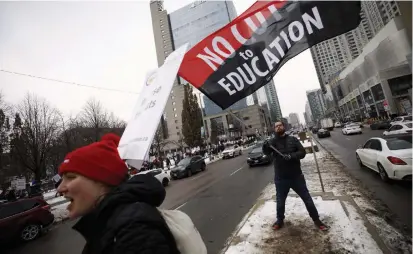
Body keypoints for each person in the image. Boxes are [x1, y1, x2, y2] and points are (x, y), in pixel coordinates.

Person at [57, 133, 179, 254]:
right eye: (62, 178)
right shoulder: (111, 224)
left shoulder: (134, 229)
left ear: (102, 180)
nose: (60, 188)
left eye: (71, 177)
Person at [262, 121, 328, 231]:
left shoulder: (293, 139)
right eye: (276, 126)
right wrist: (265, 145)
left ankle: (317, 220)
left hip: (296, 177)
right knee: (280, 202)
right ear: (274, 129)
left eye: (280, 125)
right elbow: (267, 152)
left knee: (307, 199)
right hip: (281, 178)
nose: (278, 127)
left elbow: (302, 152)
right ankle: (280, 221)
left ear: (284, 127)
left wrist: (291, 156)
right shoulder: (272, 142)